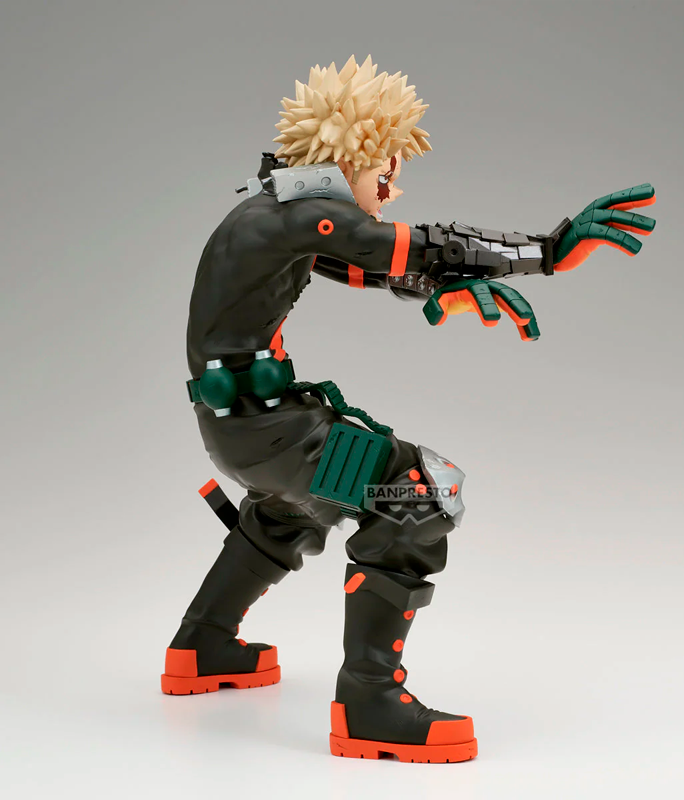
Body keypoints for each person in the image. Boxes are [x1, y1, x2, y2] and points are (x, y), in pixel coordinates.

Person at [161, 55, 657, 764]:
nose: (391, 187)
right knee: (415, 495)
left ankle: (203, 646)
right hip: (268, 428)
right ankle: (369, 703)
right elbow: (408, 246)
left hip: (243, 430)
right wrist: (546, 252)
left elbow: (373, 267)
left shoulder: (272, 212)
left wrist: (437, 286)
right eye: (385, 168)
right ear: (350, 154)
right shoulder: (302, 214)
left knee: (289, 510)